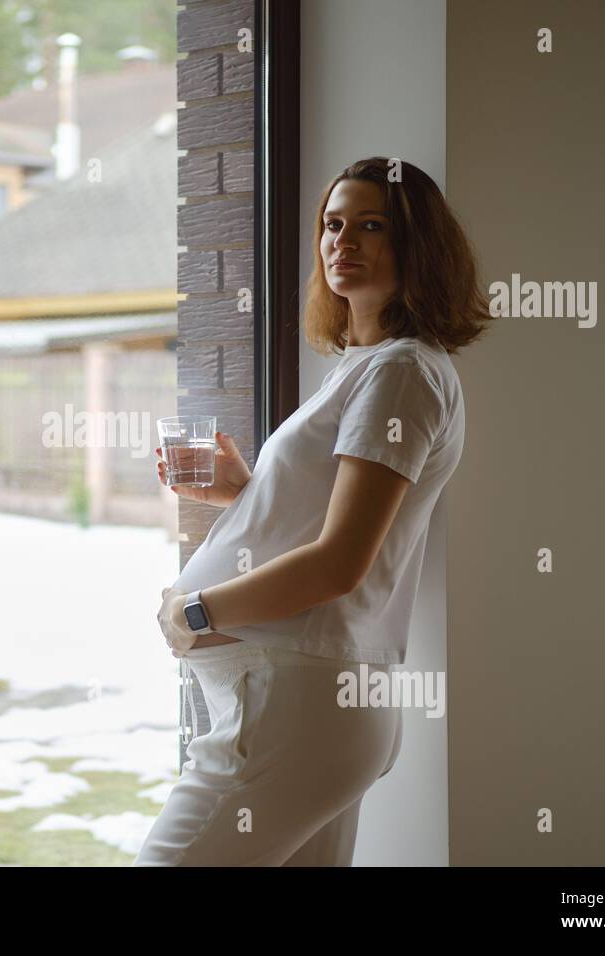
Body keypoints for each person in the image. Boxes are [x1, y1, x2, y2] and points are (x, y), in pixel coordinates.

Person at [135, 157, 495, 866]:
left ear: (418, 246)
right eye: (333, 225)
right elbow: (345, 519)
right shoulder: (378, 368)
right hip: (312, 709)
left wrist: (195, 612)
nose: (342, 242)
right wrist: (247, 490)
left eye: (371, 226)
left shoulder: (400, 373)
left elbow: (338, 563)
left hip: (293, 710)